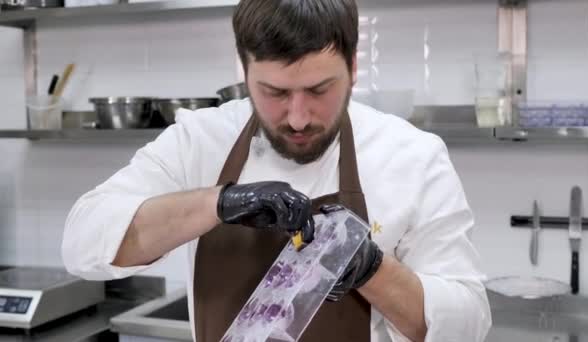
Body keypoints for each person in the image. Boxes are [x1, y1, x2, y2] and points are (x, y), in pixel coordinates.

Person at [62, 0, 491, 341]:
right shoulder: (199, 141)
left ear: (353, 69)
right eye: (275, 92)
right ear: (243, 71)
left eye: (320, 90)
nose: (299, 117)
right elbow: (83, 243)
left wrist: (373, 270)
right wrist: (217, 203)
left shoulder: (412, 156)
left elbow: (469, 323)